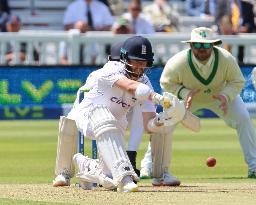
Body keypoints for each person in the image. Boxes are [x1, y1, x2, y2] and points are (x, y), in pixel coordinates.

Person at [52, 36, 187, 192]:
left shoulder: (145, 82)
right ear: (124, 58)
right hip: (88, 117)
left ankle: (86, 166)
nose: (139, 68)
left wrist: (163, 119)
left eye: (143, 64)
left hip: (115, 127)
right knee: (105, 117)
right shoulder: (110, 70)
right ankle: (125, 178)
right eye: (136, 62)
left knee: (108, 178)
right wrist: (159, 98)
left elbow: (148, 125)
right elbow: (131, 87)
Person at [140, 27, 256, 179]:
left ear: (213, 45)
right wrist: (184, 92)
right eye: (198, 45)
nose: (202, 49)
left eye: (206, 45)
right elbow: (166, 83)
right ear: (190, 45)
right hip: (188, 99)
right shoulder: (177, 62)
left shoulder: (226, 59)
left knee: (243, 118)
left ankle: (254, 166)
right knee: (164, 123)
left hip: (219, 97)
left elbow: (237, 81)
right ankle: (147, 166)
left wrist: (226, 96)